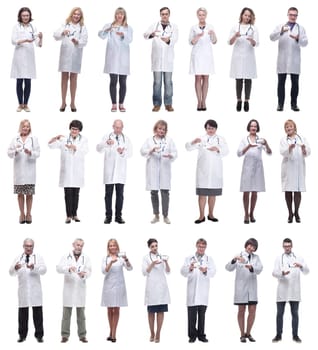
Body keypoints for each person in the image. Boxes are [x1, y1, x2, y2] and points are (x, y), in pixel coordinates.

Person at [186, 119, 228, 223]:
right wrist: (193, 142)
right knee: (202, 195)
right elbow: (188, 148)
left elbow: (226, 151)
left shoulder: (220, 139)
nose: (211, 130)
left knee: (213, 195)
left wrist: (218, 149)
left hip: (215, 171)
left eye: (213, 128)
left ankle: (211, 214)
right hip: (203, 171)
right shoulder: (201, 138)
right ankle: (201, 216)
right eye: (209, 128)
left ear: (216, 129)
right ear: (206, 128)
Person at [48, 120, 88, 223]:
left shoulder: (84, 140)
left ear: (79, 130)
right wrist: (55, 138)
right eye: (73, 128)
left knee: (76, 194)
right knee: (68, 194)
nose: (74, 130)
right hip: (67, 172)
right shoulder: (64, 139)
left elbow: (85, 151)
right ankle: (69, 215)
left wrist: (75, 148)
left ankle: (75, 214)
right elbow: (50, 146)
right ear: (70, 129)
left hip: (77, 171)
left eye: (76, 129)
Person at [270, 7, 308, 111]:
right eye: (291, 14)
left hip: (295, 60)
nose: (293, 17)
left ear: (297, 16)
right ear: (287, 14)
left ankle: (294, 104)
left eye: (295, 15)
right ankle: (280, 104)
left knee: (295, 84)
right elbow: (272, 37)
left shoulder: (301, 28)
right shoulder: (280, 26)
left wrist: (298, 38)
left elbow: (305, 43)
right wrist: (281, 32)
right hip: (282, 60)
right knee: (281, 83)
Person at [9, 238, 47, 343]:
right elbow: (11, 273)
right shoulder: (18, 258)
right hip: (23, 291)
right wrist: (15, 268)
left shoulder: (38, 257)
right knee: (22, 315)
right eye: (27, 246)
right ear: (23, 246)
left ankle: (39, 335)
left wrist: (34, 267)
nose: (29, 248)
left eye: (30, 246)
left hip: (36, 292)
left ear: (33, 247)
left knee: (38, 315)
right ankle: (22, 335)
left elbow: (44, 270)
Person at [225, 238, 263, 343]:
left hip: (252, 288)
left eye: (253, 246)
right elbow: (228, 268)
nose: (251, 248)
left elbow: (260, 269)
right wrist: (234, 260)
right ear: (246, 245)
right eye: (249, 245)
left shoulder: (256, 257)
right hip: (241, 288)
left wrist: (251, 267)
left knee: (252, 311)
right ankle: (242, 334)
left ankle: (248, 333)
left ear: (255, 248)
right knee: (241, 311)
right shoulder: (239, 255)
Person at [272, 238, 309, 343]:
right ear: (283, 247)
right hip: (282, 290)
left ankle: (295, 335)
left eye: (289, 246)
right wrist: (282, 274)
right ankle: (278, 335)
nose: (287, 248)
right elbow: (274, 273)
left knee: (295, 314)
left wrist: (301, 266)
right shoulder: (279, 258)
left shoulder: (299, 257)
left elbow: (307, 271)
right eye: (285, 246)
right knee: (279, 314)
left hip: (294, 290)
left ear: (292, 246)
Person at [140, 120, 177, 224]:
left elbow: (175, 152)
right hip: (153, 169)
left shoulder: (169, 140)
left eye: (164, 129)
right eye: (160, 128)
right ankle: (156, 215)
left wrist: (171, 155)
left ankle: (165, 216)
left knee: (165, 193)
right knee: (154, 192)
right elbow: (142, 151)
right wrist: (151, 150)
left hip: (165, 169)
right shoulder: (149, 140)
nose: (162, 131)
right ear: (155, 129)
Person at [96, 119, 132, 224]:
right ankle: (108, 217)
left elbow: (130, 153)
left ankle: (118, 217)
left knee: (120, 196)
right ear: (113, 126)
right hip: (109, 171)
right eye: (116, 127)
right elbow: (98, 149)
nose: (118, 129)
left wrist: (122, 152)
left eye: (120, 127)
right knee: (108, 195)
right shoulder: (106, 137)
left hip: (120, 172)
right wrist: (105, 143)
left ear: (122, 127)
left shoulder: (126, 139)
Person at [56, 238, 92, 343]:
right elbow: (58, 268)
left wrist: (84, 274)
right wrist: (68, 269)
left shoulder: (86, 258)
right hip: (69, 289)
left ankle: (82, 335)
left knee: (81, 315)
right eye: (77, 245)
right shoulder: (66, 256)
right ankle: (65, 335)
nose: (79, 247)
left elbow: (89, 271)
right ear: (73, 245)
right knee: (66, 315)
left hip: (80, 289)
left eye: (81, 245)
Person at [181, 238, 216, 343]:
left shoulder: (209, 259)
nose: (201, 248)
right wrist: (190, 268)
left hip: (203, 292)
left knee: (202, 315)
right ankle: (192, 336)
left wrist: (206, 271)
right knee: (191, 316)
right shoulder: (189, 258)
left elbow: (213, 272)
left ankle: (201, 335)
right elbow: (182, 272)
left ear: (205, 247)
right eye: (200, 246)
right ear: (196, 246)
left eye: (203, 247)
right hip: (192, 291)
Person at [98, 7, 133, 112]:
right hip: (112, 57)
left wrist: (123, 35)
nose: (119, 16)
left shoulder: (128, 28)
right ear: (115, 15)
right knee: (113, 81)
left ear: (124, 16)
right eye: (118, 14)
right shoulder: (109, 25)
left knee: (123, 82)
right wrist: (107, 30)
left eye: (121, 14)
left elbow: (130, 40)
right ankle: (114, 104)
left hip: (123, 58)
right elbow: (100, 35)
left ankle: (121, 104)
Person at [237, 119, 272, 224]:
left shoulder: (260, 140)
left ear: (257, 128)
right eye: (252, 126)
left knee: (255, 192)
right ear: (249, 127)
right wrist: (248, 146)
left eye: (255, 126)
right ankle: (246, 214)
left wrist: (266, 144)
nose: (253, 128)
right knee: (246, 191)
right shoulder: (244, 139)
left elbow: (269, 153)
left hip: (257, 168)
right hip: (247, 168)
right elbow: (239, 153)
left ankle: (252, 213)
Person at [144, 7, 178, 112]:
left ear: (169, 15)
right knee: (157, 83)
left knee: (168, 83)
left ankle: (168, 104)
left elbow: (175, 39)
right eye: (162, 14)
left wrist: (169, 40)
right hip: (157, 59)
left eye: (166, 14)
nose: (164, 15)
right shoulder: (154, 25)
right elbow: (145, 35)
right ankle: (157, 104)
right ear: (160, 15)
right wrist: (152, 34)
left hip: (168, 60)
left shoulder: (174, 27)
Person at [54, 7, 88, 112]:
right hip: (65, 54)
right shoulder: (65, 24)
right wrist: (63, 33)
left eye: (78, 14)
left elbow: (85, 41)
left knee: (74, 78)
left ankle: (72, 102)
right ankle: (63, 102)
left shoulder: (82, 27)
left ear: (80, 16)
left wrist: (77, 41)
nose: (76, 16)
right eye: (75, 14)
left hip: (76, 55)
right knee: (64, 78)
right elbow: (55, 36)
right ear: (71, 14)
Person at [7, 119, 40, 224]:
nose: (25, 128)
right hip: (19, 172)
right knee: (20, 194)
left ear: (30, 128)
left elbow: (38, 153)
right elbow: (8, 153)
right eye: (24, 126)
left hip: (30, 171)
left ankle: (29, 214)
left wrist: (30, 152)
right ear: (20, 127)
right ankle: (22, 214)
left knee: (29, 194)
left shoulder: (33, 139)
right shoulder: (15, 139)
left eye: (27, 126)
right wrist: (15, 151)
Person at [11, 7, 43, 112]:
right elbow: (13, 40)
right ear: (20, 16)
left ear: (30, 16)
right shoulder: (16, 27)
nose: (25, 17)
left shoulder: (33, 27)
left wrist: (41, 38)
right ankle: (20, 104)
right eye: (24, 15)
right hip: (19, 56)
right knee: (19, 81)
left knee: (28, 81)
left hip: (29, 56)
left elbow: (38, 44)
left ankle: (26, 104)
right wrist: (24, 40)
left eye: (27, 15)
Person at [101, 239, 133, 342]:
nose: (112, 247)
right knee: (110, 309)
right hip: (109, 287)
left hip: (119, 286)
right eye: (110, 246)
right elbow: (104, 271)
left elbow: (130, 268)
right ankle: (111, 331)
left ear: (117, 247)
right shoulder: (105, 258)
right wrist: (111, 262)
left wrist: (127, 259)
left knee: (117, 309)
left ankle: (114, 333)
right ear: (108, 248)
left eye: (114, 245)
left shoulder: (121, 258)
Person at [228, 7, 258, 112]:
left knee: (248, 79)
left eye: (249, 16)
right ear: (241, 15)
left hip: (249, 56)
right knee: (239, 79)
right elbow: (230, 42)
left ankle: (246, 101)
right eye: (245, 15)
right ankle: (239, 100)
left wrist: (252, 40)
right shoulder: (235, 27)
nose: (247, 17)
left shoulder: (253, 28)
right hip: (237, 56)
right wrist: (235, 36)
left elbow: (256, 43)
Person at [280, 120, 310, 223]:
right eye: (286, 127)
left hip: (298, 168)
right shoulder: (284, 140)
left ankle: (296, 213)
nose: (288, 128)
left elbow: (308, 152)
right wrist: (289, 148)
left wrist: (304, 149)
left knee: (297, 191)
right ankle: (290, 213)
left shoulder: (302, 138)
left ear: (294, 127)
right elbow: (282, 152)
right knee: (288, 190)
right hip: (288, 168)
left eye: (290, 126)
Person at [142, 238, 171, 343]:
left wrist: (166, 262)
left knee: (160, 311)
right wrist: (153, 263)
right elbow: (145, 272)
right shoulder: (146, 258)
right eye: (152, 246)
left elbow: (168, 272)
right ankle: (152, 333)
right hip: (152, 288)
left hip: (162, 288)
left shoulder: (162, 256)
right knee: (151, 312)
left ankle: (158, 333)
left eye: (156, 246)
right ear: (149, 247)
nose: (155, 248)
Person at [189, 7, 217, 111]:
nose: (201, 16)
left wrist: (213, 34)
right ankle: (198, 101)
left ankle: (204, 101)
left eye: (203, 15)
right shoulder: (193, 27)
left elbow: (214, 41)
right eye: (200, 15)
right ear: (197, 16)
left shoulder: (210, 27)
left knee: (206, 78)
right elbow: (190, 42)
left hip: (207, 55)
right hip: (197, 55)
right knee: (197, 78)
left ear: (206, 15)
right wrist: (197, 36)